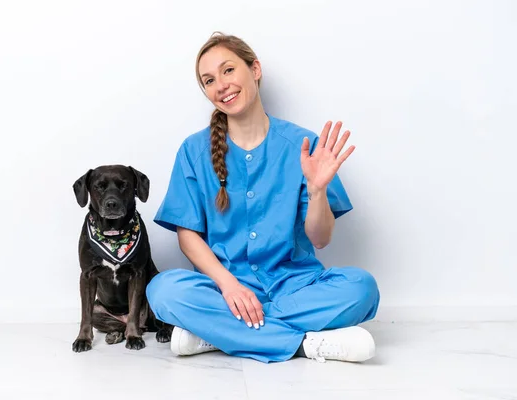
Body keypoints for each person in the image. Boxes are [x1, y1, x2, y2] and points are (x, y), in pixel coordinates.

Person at [146, 32, 380, 364]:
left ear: (254, 69)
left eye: (228, 70)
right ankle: (305, 344)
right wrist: (229, 286)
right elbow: (188, 237)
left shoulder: (303, 144)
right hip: (225, 290)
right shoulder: (193, 151)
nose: (221, 85)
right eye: (209, 80)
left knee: (362, 288)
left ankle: (216, 334)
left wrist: (316, 192)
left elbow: (321, 238)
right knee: (163, 291)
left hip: (295, 287)